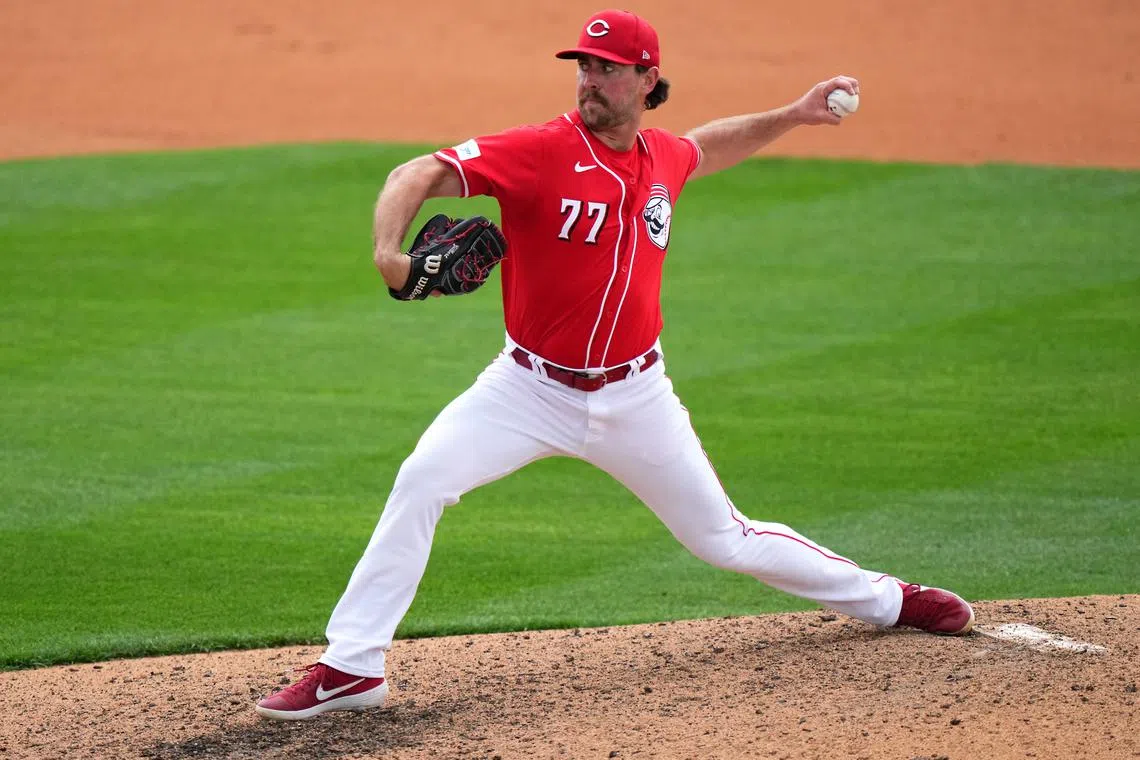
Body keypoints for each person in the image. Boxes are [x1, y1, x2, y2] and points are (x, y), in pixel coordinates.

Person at [255, 9, 974, 721]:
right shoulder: (539, 150)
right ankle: (352, 666)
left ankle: (888, 598)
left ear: (646, 78)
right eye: (583, 67)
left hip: (637, 397)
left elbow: (705, 147)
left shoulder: (660, 158)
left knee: (725, 539)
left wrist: (793, 114)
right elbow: (418, 171)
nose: (589, 80)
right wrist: (390, 252)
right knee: (423, 479)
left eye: (606, 68)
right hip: (525, 389)